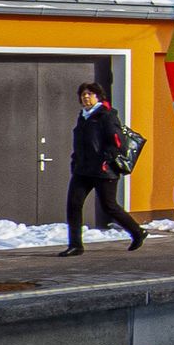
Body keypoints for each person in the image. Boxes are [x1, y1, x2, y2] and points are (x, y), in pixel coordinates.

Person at [61, 82, 144, 255]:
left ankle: (138, 232)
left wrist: (106, 160)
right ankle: (75, 245)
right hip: (82, 170)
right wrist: (75, 161)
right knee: (73, 205)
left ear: (98, 97)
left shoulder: (106, 116)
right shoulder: (83, 117)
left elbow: (117, 142)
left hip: (103, 170)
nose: (85, 97)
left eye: (89, 94)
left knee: (109, 206)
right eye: (83, 94)